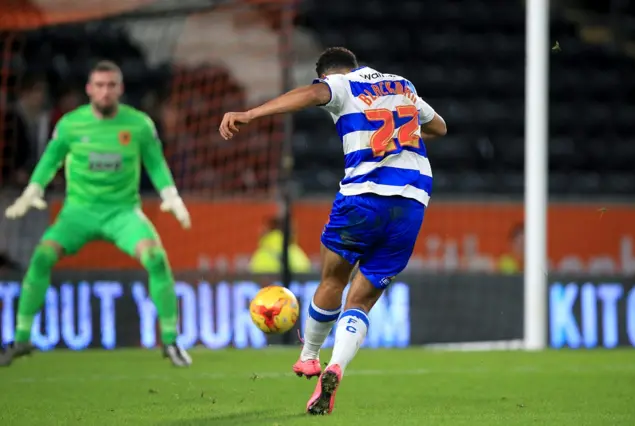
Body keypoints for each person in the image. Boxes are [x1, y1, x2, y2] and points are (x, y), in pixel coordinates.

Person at [220, 47, 447, 415]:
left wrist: (251, 114)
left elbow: (311, 95)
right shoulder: (403, 86)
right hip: (411, 203)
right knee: (361, 302)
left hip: (363, 199)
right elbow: (440, 127)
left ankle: (310, 357)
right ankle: (337, 366)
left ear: (327, 73)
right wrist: (400, 139)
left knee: (332, 280)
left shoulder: (341, 83)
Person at [1, 61, 193, 367]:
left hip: (123, 213)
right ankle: (22, 337)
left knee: (156, 259)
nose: (105, 91)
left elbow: (155, 162)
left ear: (120, 89)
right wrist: (32, 191)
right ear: (90, 90)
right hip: (78, 212)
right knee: (41, 257)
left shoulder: (139, 124)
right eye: (100, 85)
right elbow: (50, 159)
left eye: (111, 85)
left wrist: (171, 195)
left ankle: (170, 341)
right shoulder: (70, 124)